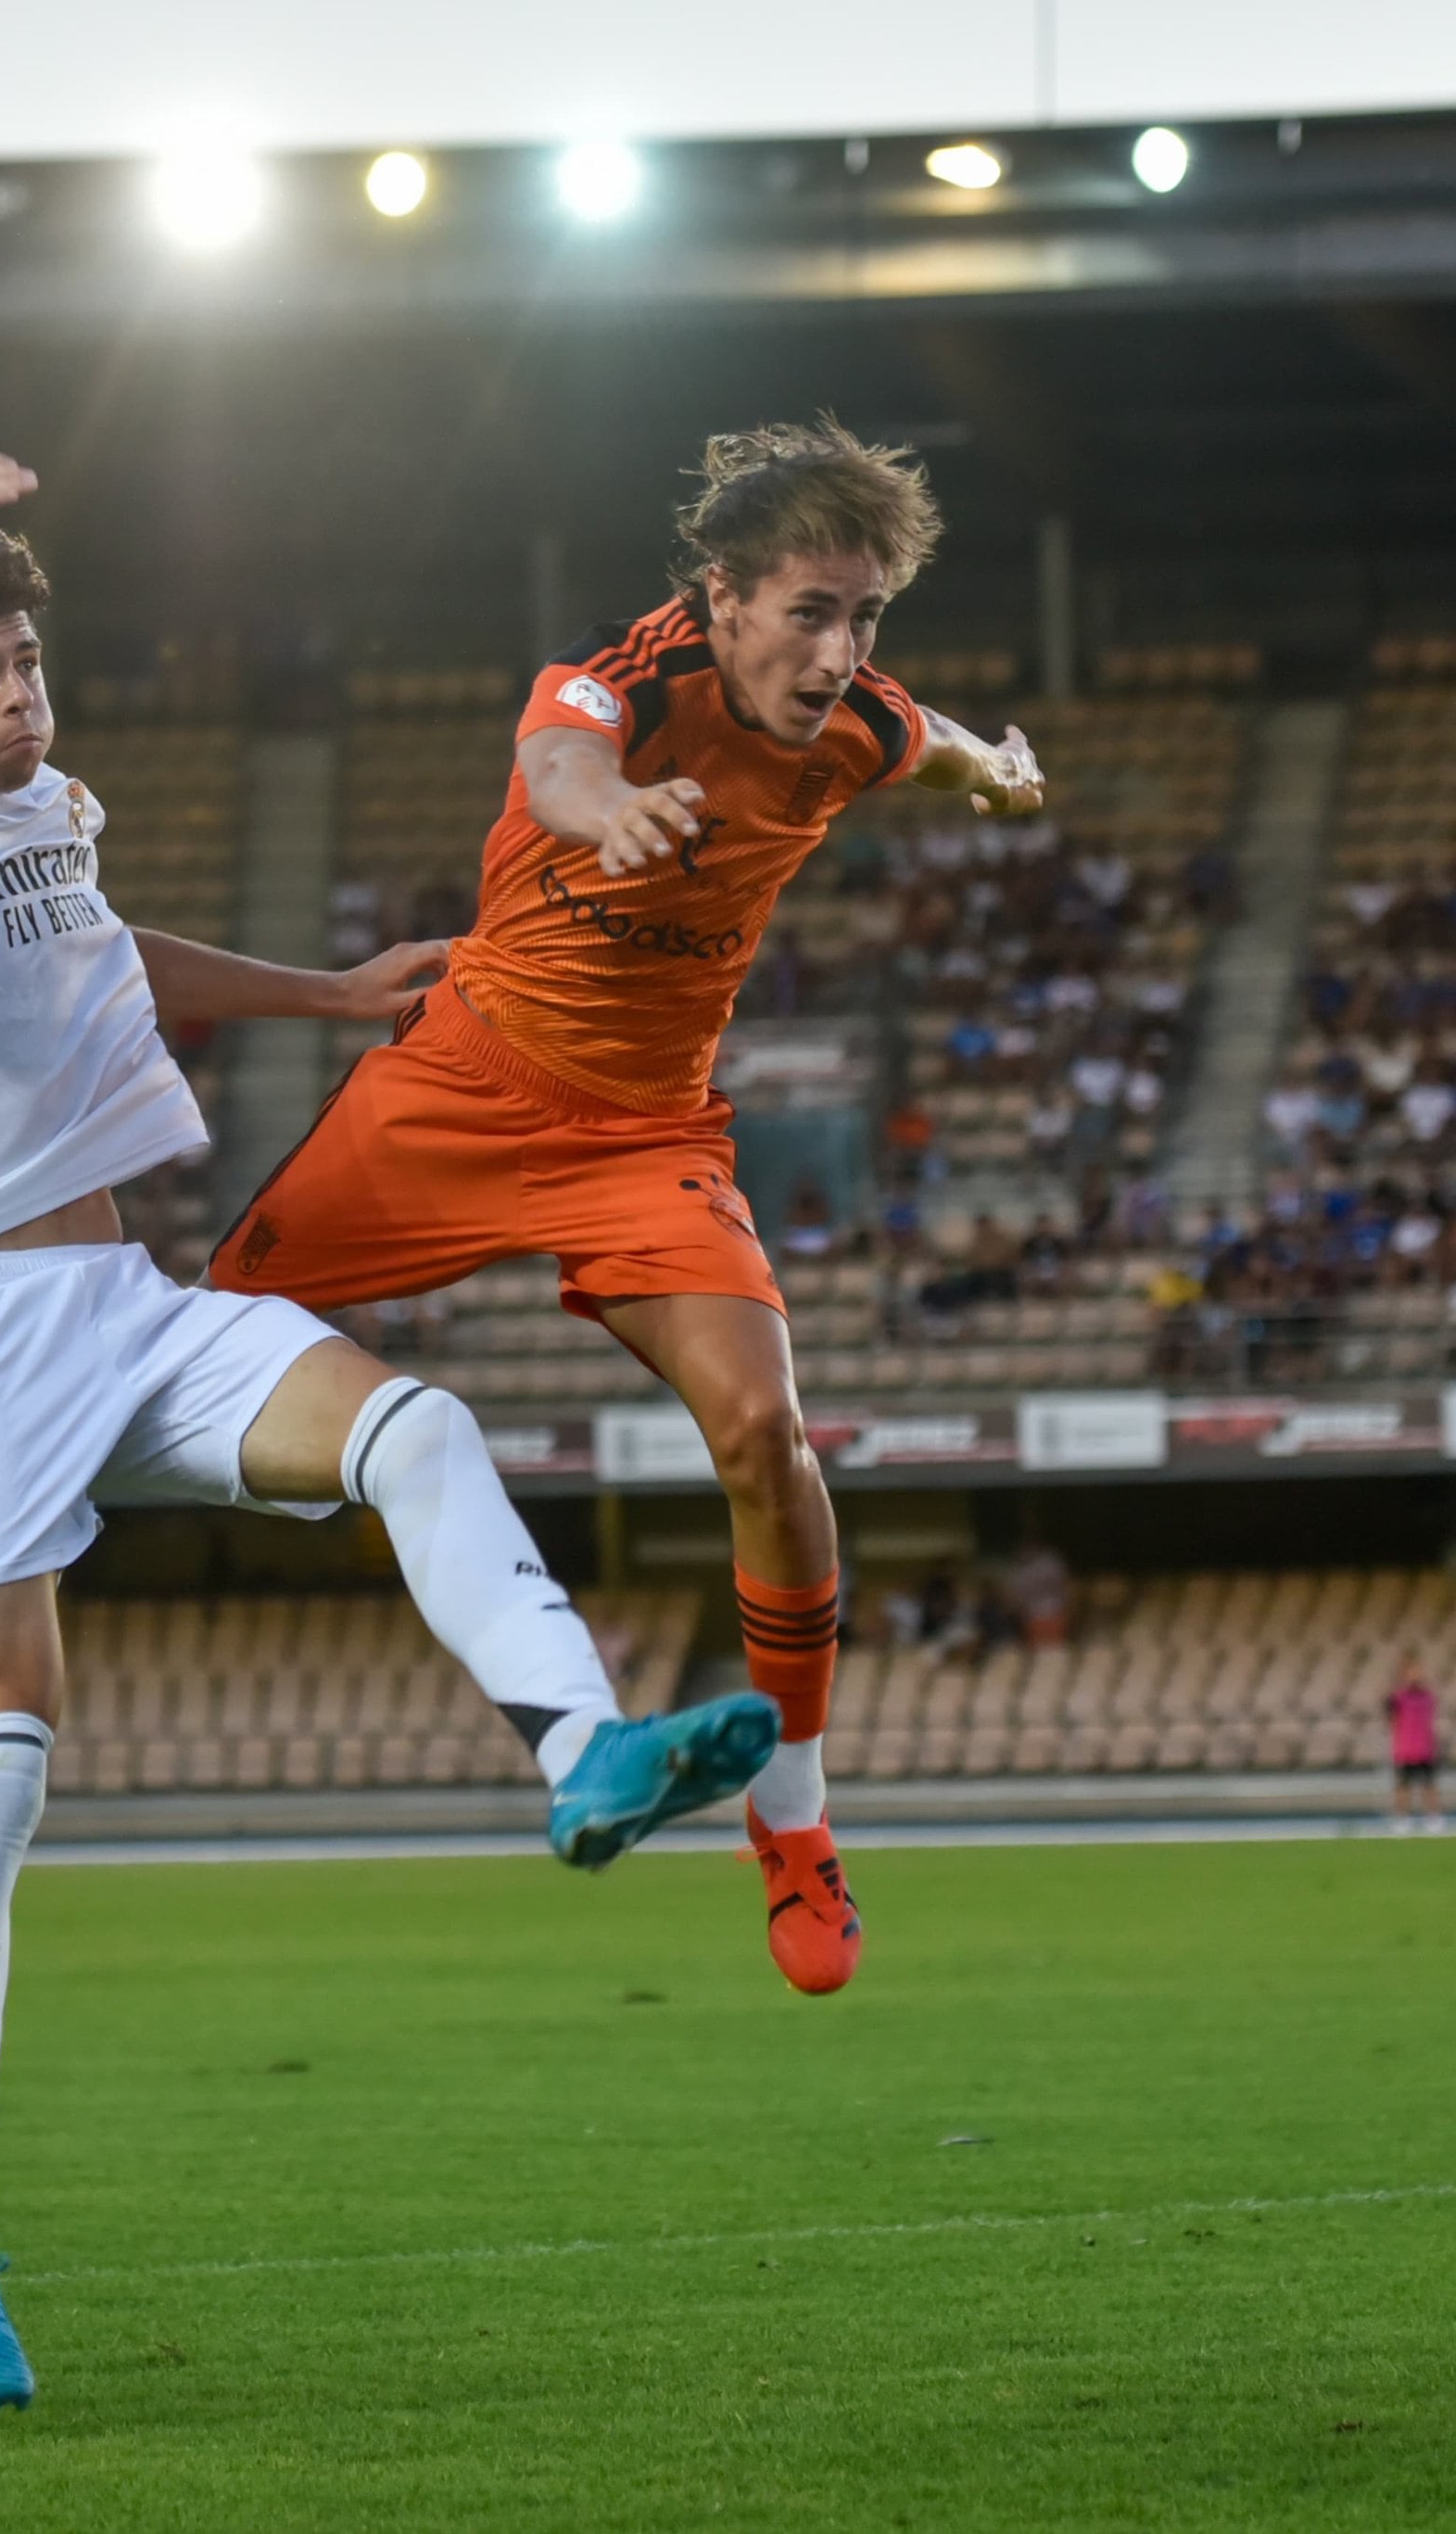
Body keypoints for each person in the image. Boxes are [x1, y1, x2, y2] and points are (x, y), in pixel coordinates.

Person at [0, 450, 780, 2414]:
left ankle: (579, 1745)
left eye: (24, 657)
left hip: (117, 1295)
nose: (14, 693)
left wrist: (326, 992)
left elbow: (101, 965)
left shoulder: (51, 806)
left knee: (418, 1426)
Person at [208, 419, 1045, 1996]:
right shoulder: (620, 679)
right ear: (722, 596)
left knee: (762, 1433)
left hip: (645, 1132)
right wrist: (610, 813)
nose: (839, 647)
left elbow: (923, 732)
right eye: (808, 609)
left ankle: (789, 1811)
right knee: (195, 1338)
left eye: (864, 613)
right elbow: (559, 758)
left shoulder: (856, 718)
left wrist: (996, 768)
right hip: (458, 1082)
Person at [1384, 1658, 1444, 1832]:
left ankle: (1434, 1819)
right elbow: (1391, 1717)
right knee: (1403, 1787)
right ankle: (1401, 1819)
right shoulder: (1398, 1698)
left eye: (1418, 1671)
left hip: (1425, 1750)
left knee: (1429, 1786)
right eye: (1412, 1672)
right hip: (1405, 1750)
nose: (1415, 1675)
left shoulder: (1428, 1697)